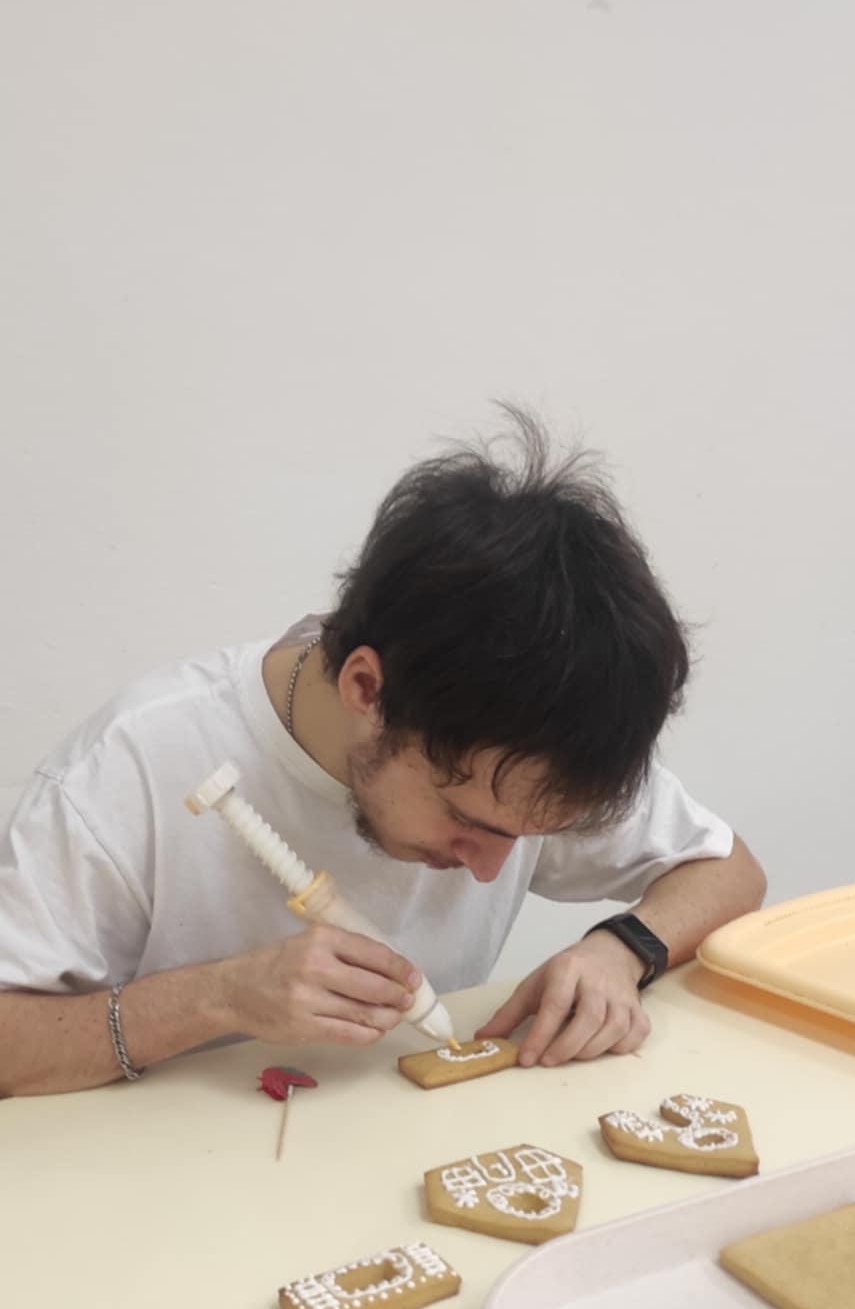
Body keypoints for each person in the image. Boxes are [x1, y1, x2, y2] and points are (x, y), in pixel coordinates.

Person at [0, 414, 765, 1096]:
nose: (490, 871)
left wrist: (621, 949)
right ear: (367, 689)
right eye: (468, 821)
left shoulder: (525, 749)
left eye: (528, 836)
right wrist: (218, 997)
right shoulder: (129, 766)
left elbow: (729, 871)